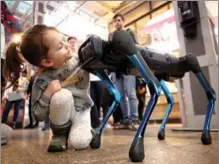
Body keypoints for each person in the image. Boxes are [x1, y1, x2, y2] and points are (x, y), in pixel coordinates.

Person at [3, 24, 93, 152]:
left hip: (82, 111)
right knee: (61, 95)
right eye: (60, 46)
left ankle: (86, 129)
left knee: (79, 142)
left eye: (63, 39)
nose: (67, 45)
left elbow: (103, 67)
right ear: (47, 62)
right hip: (61, 120)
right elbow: (38, 115)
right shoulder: (41, 82)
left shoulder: (81, 60)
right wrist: (48, 93)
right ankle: (60, 135)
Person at [110, 13, 139, 130]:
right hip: (117, 69)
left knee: (131, 93)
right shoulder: (111, 36)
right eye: (115, 21)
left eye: (119, 20)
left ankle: (134, 119)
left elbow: (137, 48)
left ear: (123, 21)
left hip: (129, 66)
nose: (117, 22)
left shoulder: (129, 33)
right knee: (121, 96)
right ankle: (126, 120)